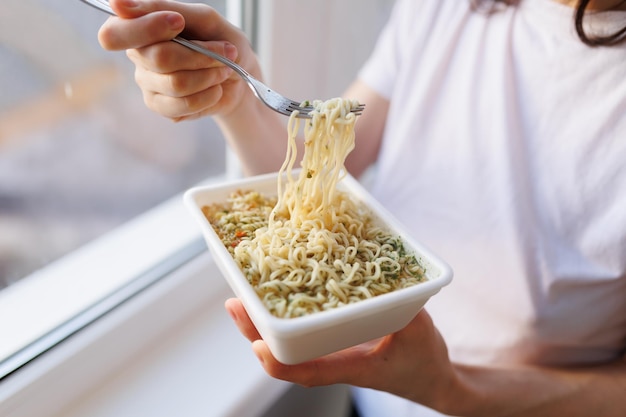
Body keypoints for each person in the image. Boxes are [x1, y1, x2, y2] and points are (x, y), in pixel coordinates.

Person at [98, 0, 626, 415]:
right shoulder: (449, 6)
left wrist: (451, 389)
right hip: (375, 398)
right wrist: (234, 92)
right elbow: (319, 173)